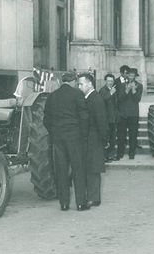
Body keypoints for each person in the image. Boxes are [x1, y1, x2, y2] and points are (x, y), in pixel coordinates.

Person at [43, 72, 90, 211]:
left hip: (58, 137)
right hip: (74, 136)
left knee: (61, 170)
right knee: (78, 170)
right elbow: (84, 116)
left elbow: (46, 119)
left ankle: (64, 203)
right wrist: (83, 134)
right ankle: (81, 203)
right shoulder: (77, 94)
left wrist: (54, 132)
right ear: (73, 81)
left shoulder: (52, 96)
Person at [78, 73, 109, 208]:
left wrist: (104, 139)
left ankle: (94, 198)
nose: (79, 87)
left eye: (81, 84)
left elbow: (101, 121)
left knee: (93, 169)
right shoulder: (87, 98)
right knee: (89, 167)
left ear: (90, 83)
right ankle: (92, 196)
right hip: (88, 139)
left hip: (94, 138)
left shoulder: (95, 99)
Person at [117, 67, 143, 160]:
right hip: (123, 113)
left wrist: (133, 91)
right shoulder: (122, 85)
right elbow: (119, 99)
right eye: (130, 75)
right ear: (127, 75)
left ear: (135, 76)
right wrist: (127, 90)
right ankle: (120, 153)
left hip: (133, 114)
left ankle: (132, 153)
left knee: (133, 135)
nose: (131, 77)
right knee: (121, 135)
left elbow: (137, 99)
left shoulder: (139, 86)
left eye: (133, 75)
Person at [99, 74, 119, 161]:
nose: (110, 83)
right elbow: (103, 100)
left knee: (112, 138)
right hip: (106, 119)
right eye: (108, 81)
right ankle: (104, 156)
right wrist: (111, 93)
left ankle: (111, 155)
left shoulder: (113, 90)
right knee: (106, 138)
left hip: (113, 118)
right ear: (105, 81)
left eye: (111, 81)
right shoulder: (102, 90)